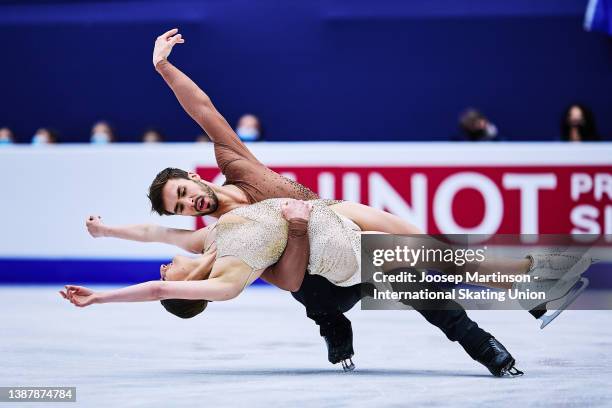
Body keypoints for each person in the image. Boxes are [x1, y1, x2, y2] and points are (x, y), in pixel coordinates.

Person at [82, 28, 541, 375]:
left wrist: (164, 68)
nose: (189, 205)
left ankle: (511, 283)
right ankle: (333, 325)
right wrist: (109, 233)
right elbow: (160, 236)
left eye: (183, 193)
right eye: (180, 207)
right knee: (322, 296)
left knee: (427, 252)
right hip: (314, 274)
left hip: (331, 217)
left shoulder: (236, 163)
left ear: (192, 176)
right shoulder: (221, 236)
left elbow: (202, 109)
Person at [72, 197, 544, 376]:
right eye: (164, 275)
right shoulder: (225, 282)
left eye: (160, 273)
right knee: (307, 290)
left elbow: (157, 232)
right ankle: (336, 330)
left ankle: (515, 319)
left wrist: (108, 230)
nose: (161, 269)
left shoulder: (208, 236)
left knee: (434, 280)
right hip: (335, 279)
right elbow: (156, 291)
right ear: (180, 292)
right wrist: (99, 298)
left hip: (351, 236)